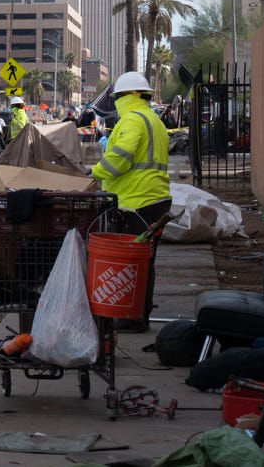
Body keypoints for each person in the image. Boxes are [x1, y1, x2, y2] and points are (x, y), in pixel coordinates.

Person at [90, 71, 170, 333]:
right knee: (145, 262)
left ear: (129, 95)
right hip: (152, 199)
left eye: (119, 97)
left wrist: (93, 172)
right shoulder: (152, 119)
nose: (116, 102)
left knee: (130, 263)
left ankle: (130, 317)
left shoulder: (133, 120)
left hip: (137, 201)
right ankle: (138, 314)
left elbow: (118, 160)